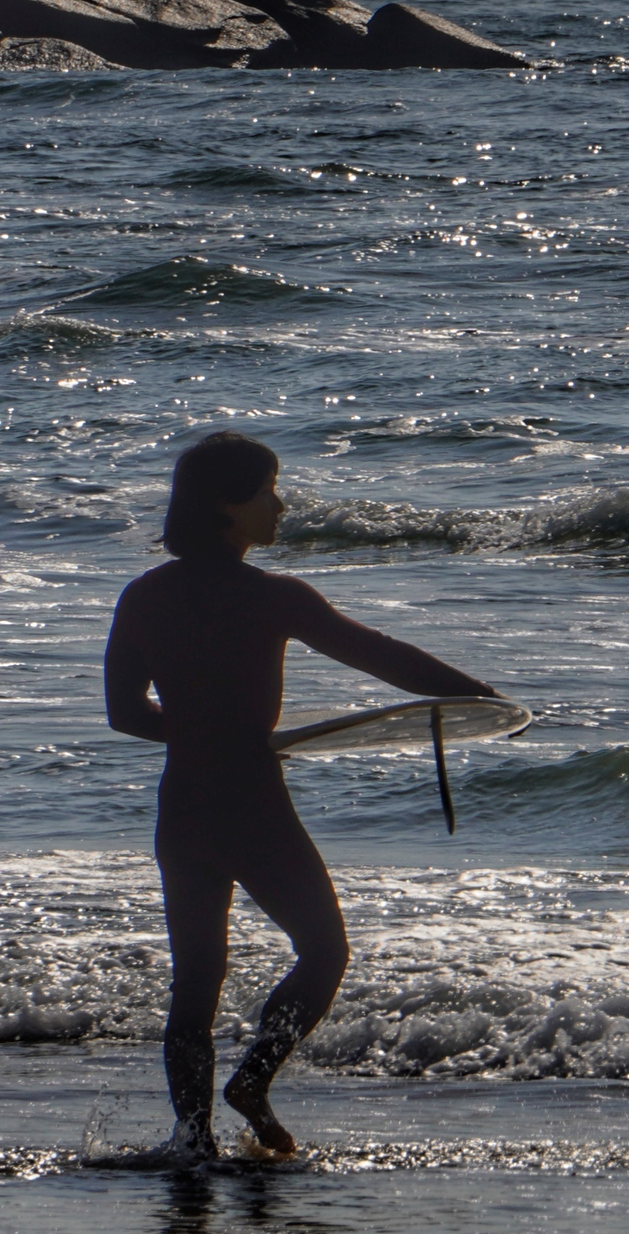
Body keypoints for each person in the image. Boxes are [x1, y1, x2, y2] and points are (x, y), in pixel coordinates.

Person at [105, 431, 498, 1159]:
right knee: (323, 951)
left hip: (184, 800)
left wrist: (199, 734)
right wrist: (478, 697)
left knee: (196, 979)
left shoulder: (144, 596)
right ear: (228, 505)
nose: (279, 505)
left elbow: (124, 714)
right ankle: (253, 1080)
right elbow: (381, 655)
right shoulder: (273, 598)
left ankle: (191, 1138)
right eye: (266, 491)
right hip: (252, 800)